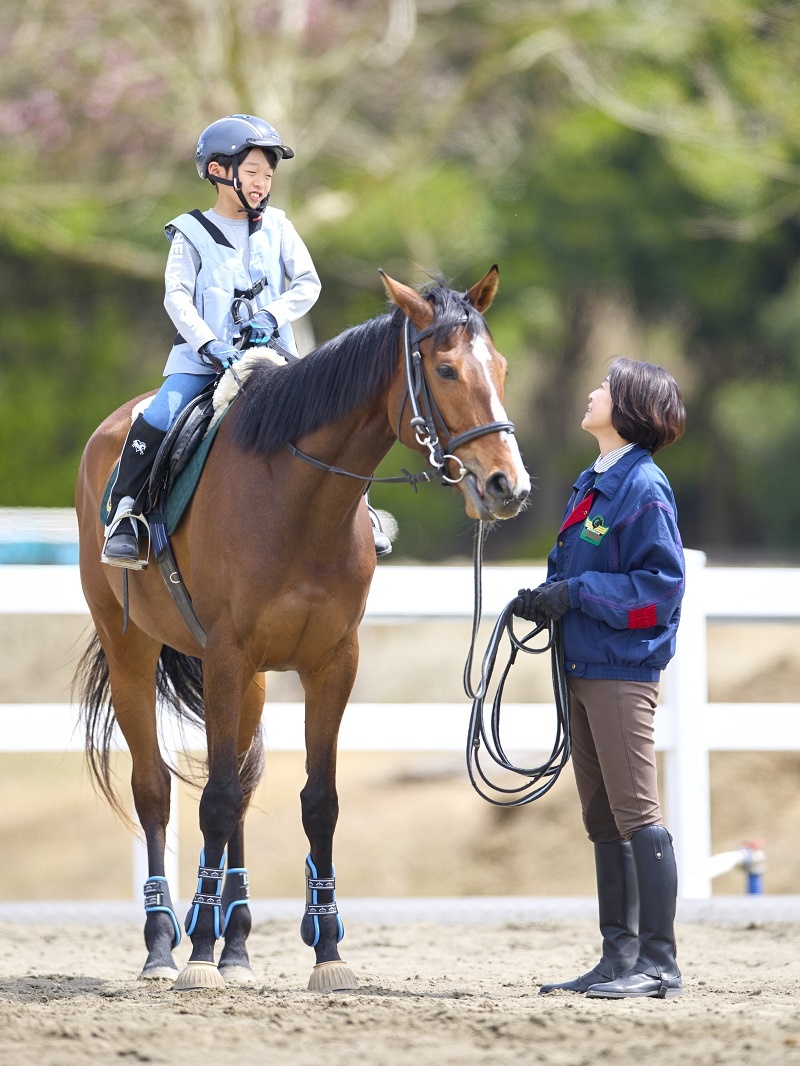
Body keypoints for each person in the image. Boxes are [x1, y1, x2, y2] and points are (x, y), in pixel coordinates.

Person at [102, 113, 393, 568]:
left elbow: (308, 283)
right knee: (160, 414)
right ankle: (126, 515)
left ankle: (362, 511)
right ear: (219, 171)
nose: (263, 182)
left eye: (269, 174)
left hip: (274, 358)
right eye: (253, 172)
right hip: (204, 359)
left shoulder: (279, 226)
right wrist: (206, 344)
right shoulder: (189, 234)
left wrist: (271, 314)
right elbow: (176, 298)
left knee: (336, 413)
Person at [514, 357, 686, 1000]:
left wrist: (578, 592)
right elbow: (585, 571)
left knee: (637, 810)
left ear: (629, 409)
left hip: (620, 670)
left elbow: (660, 590)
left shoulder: (644, 487)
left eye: (606, 388)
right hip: (585, 666)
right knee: (603, 818)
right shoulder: (596, 481)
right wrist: (550, 596)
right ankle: (618, 956)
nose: (593, 391)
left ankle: (660, 963)